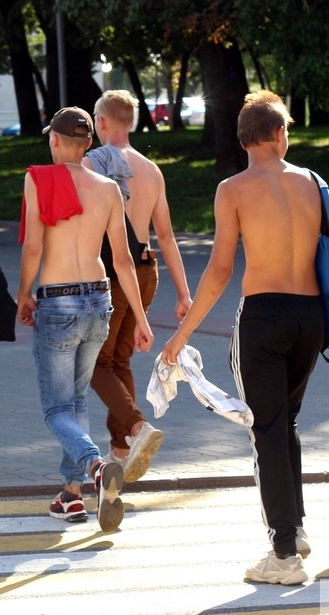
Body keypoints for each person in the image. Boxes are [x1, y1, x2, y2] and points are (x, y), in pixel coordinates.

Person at [160, 90, 329, 586]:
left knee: (265, 429)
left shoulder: (232, 189)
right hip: (310, 317)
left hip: (264, 317)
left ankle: (285, 554)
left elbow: (221, 270)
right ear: (277, 133)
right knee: (284, 422)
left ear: (247, 138)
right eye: (287, 130)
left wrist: (180, 335)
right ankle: (295, 528)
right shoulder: (314, 181)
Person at [16, 106, 152, 532]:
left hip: (58, 301)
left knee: (57, 408)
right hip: (100, 300)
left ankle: (95, 466)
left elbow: (34, 248)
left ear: (55, 140)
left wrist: (23, 293)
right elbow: (123, 260)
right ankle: (71, 496)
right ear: (89, 143)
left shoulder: (37, 178)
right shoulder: (109, 188)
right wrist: (143, 318)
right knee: (76, 402)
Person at [83, 90, 193, 482]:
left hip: (114, 271)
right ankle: (122, 447)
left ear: (102, 122)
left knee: (97, 362)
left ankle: (135, 427)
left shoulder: (92, 164)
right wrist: (183, 293)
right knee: (120, 360)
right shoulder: (151, 169)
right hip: (148, 270)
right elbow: (165, 235)